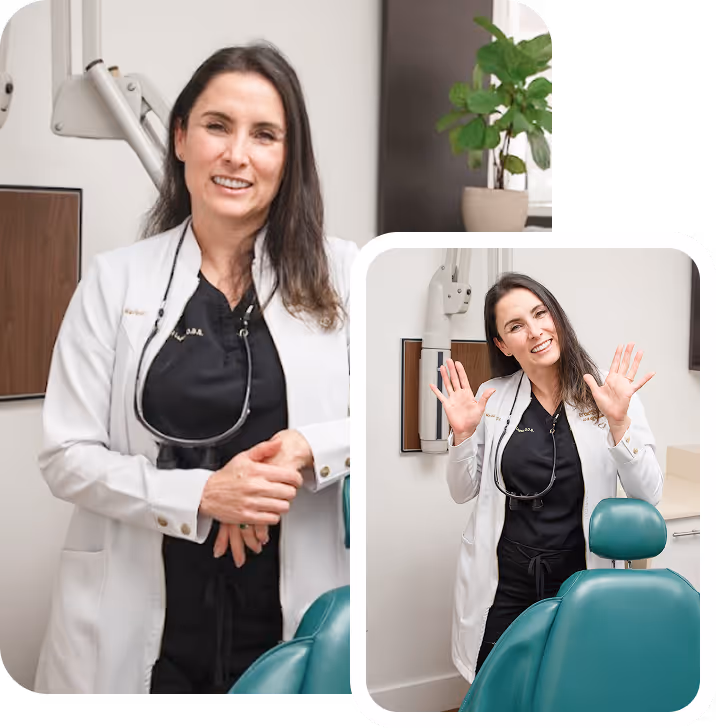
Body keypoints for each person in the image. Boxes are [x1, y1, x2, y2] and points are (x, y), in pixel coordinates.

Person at [33, 43, 356, 694]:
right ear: (180, 137)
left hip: (289, 611)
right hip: (144, 611)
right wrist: (206, 497)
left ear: (288, 158)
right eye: (217, 126)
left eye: (265, 134)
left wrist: (305, 447)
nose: (237, 154)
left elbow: (387, 420)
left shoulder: (346, 274)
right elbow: (65, 455)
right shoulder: (114, 279)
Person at [429, 273, 663, 686]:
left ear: (556, 316)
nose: (535, 331)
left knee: (572, 686)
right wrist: (462, 436)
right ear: (502, 344)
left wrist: (619, 423)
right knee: (497, 685)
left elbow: (650, 493)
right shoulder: (493, 395)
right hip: (504, 577)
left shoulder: (611, 391)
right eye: (515, 326)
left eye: (541, 313)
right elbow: (462, 490)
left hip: (579, 575)